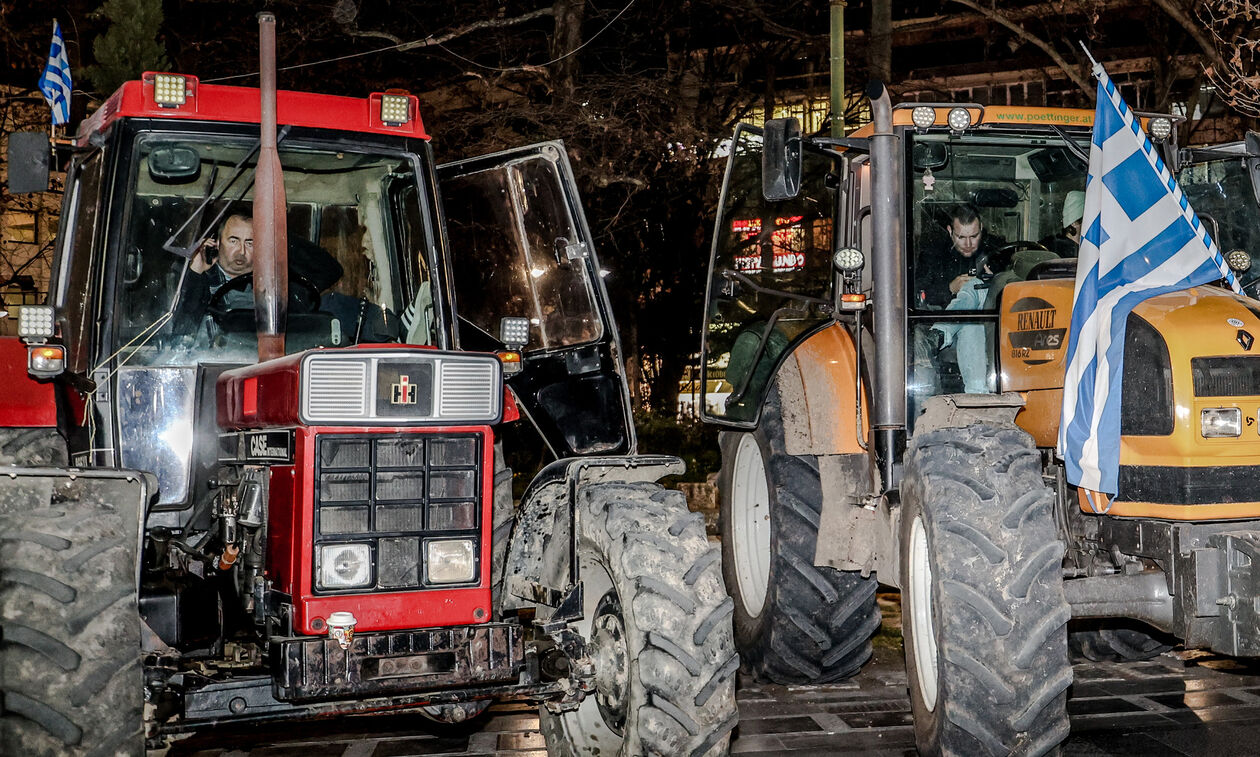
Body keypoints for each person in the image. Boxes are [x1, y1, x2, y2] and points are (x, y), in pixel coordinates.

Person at [171, 213, 254, 331]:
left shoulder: (276, 286)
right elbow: (179, 330)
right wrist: (196, 272)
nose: (241, 251)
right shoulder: (187, 277)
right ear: (217, 243)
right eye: (233, 241)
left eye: (250, 243)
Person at [916, 204, 1004, 307]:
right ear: (950, 231)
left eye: (974, 236)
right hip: (949, 317)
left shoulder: (997, 250)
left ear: (981, 227)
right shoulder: (933, 254)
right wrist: (949, 289)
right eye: (961, 237)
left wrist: (996, 282)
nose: (968, 244)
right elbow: (918, 295)